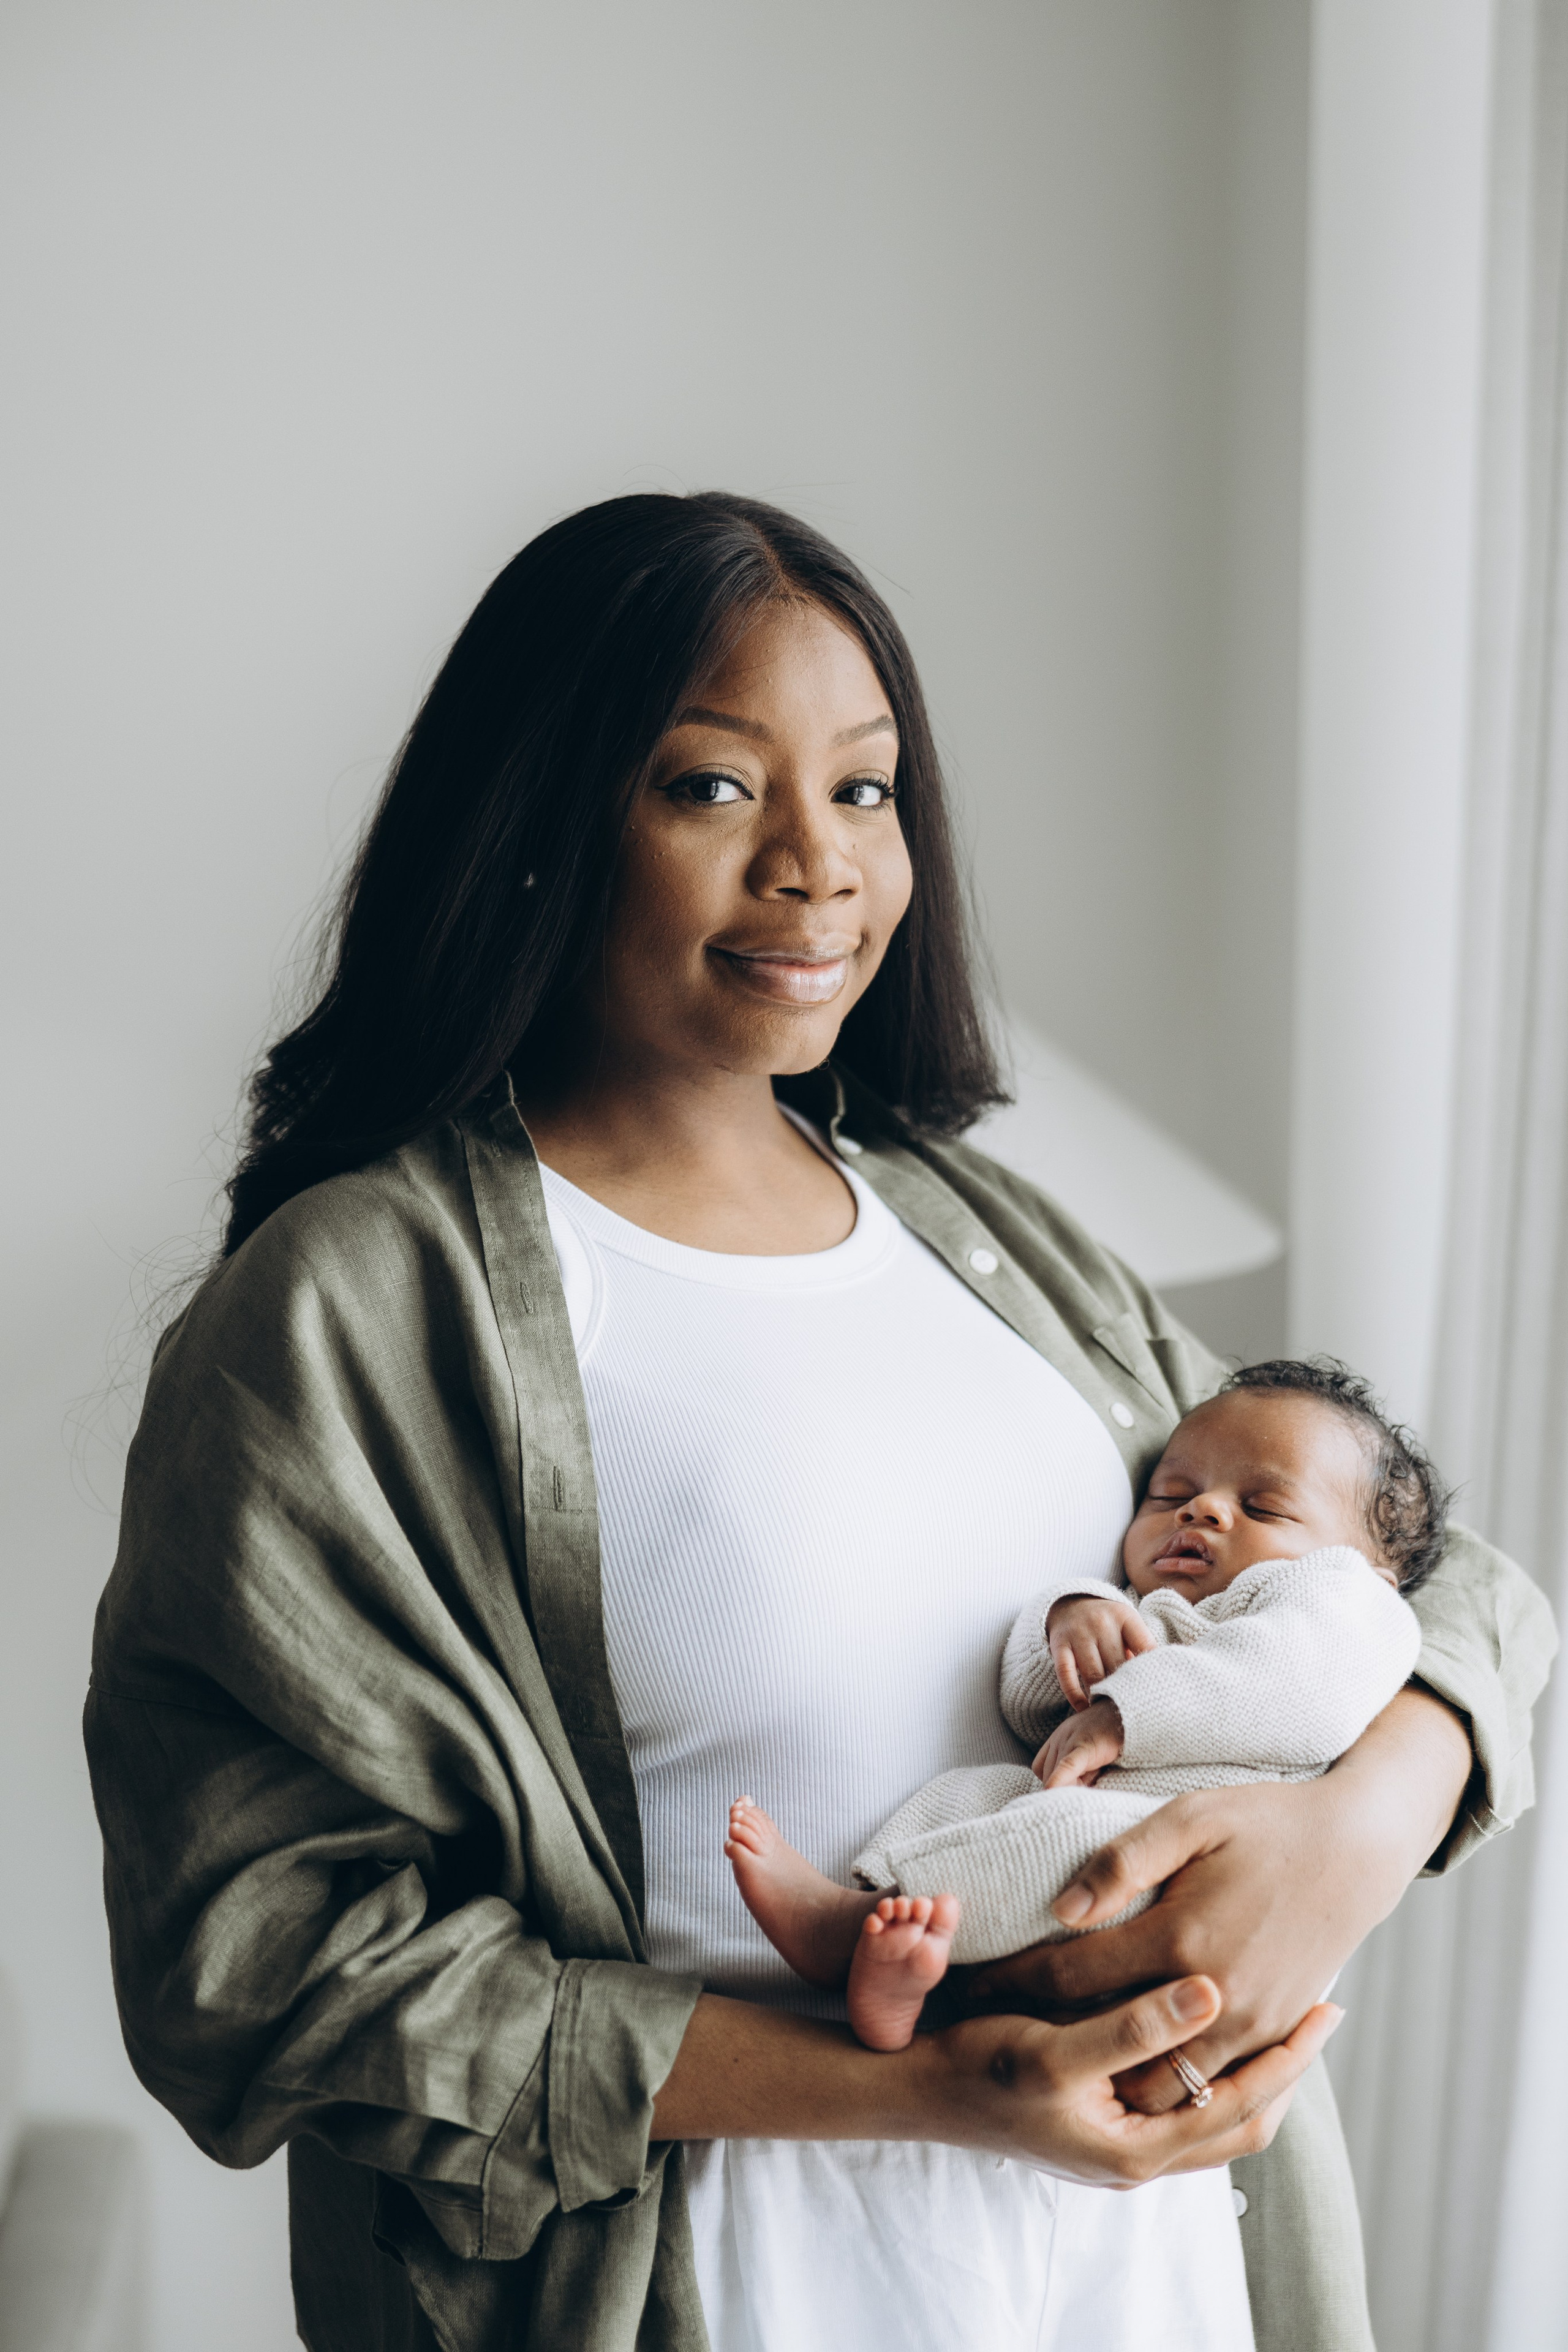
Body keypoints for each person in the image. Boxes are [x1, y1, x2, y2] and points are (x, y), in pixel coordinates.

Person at [83, 492, 1556, 2352]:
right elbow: (260, 1972)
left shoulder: (988, 1234)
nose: (815, 864)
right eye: (710, 787)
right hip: (733, 2282)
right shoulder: (351, 1311)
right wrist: (921, 2086)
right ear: (541, 823)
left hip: (1152, 2272)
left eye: (864, 791)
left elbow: (1431, 1567)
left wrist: (1353, 1828)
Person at [722, 1359, 1435, 2064]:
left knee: (1068, 1837)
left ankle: (843, 1932)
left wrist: (1125, 1714)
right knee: (978, 1797)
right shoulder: (1140, 1609)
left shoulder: (1347, 1608)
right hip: (1087, 1867)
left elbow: (1296, 1682)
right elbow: (1031, 1712)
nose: (1202, 1509)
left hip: (1189, 1868)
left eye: (1263, 1508)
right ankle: (909, 1965)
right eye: (1169, 1494)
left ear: (1374, 1572)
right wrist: (1070, 1618)